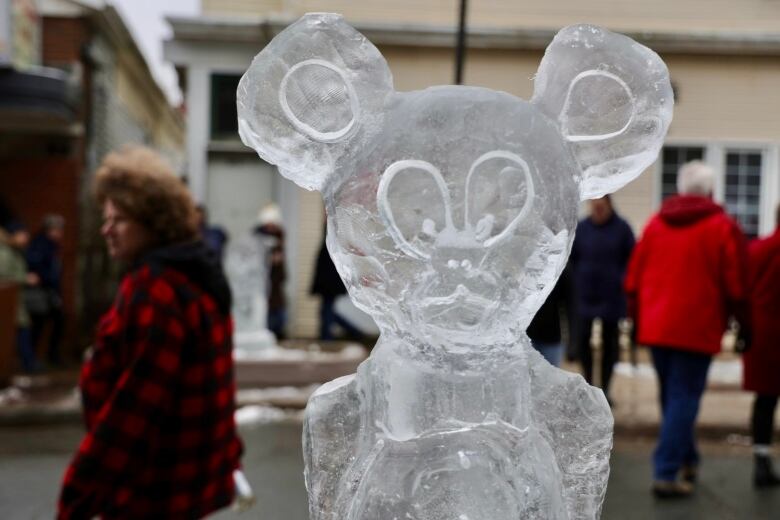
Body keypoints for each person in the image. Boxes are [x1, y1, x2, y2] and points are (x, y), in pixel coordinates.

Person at [58, 146, 244, 519]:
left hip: (151, 491)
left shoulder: (155, 289)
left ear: (153, 222)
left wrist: (80, 489)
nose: (106, 230)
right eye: (106, 218)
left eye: (119, 219)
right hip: (188, 486)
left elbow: (136, 408)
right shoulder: (197, 277)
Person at [625, 160, 749, 498]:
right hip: (697, 327)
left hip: (657, 326)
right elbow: (736, 284)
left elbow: (633, 278)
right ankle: (666, 471)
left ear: (680, 190)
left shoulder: (655, 225)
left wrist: (636, 322)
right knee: (683, 398)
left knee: (673, 397)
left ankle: (688, 458)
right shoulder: (723, 227)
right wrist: (744, 325)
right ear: (710, 191)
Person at [570, 195, 635, 401]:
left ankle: (605, 388)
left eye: (601, 206)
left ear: (608, 205)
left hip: (612, 296)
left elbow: (632, 259)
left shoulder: (622, 228)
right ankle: (589, 385)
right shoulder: (582, 228)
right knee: (583, 342)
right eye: (594, 205)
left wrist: (622, 281)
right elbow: (572, 259)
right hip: (584, 295)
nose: (598, 209)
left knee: (610, 345)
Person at [742, 204, 780, 488]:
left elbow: (745, 290)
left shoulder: (757, 249)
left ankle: (761, 459)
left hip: (764, 333)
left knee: (765, 399)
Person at [26, 214, 65, 366]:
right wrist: (44, 278)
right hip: (41, 292)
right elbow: (36, 266)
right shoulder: (40, 245)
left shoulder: (53, 246)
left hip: (50, 291)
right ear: (49, 230)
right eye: (58, 229)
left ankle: (50, 356)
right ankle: (33, 359)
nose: (60, 233)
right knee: (38, 324)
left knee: (56, 322)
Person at [311, 225, 362, 341]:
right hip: (327, 284)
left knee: (326, 311)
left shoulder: (332, 245)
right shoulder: (331, 245)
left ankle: (327, 337)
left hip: (329, 284)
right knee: (327, 311)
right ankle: (353, 331)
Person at [0, 222, 39, 372]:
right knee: (21, 330)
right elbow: (4, 275)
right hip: (9, 300)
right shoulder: (5, 252)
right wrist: (25, 278)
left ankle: (28, 363)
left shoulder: (14, 250)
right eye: (23, 234)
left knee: (22, 329)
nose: (26, 238)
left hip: (15, 300)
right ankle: (28, 364)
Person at [253, 203, 287, 339]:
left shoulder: (279, 237)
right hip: (263, 283)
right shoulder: (259, 238)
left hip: (276, 282)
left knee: (277, 316)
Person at [527, 266, 572, 367]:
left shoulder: (561, 268)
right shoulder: (527, 267)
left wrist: (573, 342)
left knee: (550, 380)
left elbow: (571, 306)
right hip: (527, 337)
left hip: (552, 339)